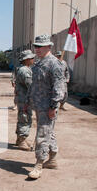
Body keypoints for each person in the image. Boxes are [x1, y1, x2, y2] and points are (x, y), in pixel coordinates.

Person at [27, 35, 65, 180]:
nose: (37, 49)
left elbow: (59, 87)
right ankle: (53, 158)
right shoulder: (38, 63)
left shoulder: (55, 64)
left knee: (42, 135)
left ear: (49, 46)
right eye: (35, 46)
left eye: (40, 46)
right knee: (49, 131)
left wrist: (54, 106)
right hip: (38, 104)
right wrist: (27, 101)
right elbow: (33, 84)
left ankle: (39, 164)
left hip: (47, 106)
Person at [15, 50, 36, 151]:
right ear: (27, 59)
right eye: (31, 58)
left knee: (23, 117)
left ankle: (20, 139)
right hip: (24, 99)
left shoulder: (26, 69)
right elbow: (30, 85)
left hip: (24, 99)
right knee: (25, 118)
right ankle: (22, 140)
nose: (33, 59)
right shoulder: (24, 70)